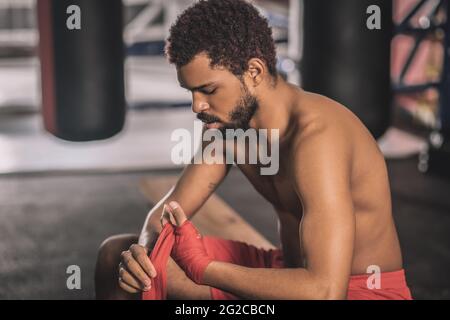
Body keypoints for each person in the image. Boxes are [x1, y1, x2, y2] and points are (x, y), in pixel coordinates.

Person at [95, 0, 412, 300]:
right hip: (288, 271)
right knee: (117, 257)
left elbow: (325, 290)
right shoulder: (226, 129)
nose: (197, 105)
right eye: (190, 91)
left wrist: (207, 270)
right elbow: (165, 214)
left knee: (176, 278)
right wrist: (146, 253)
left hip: (354, 289)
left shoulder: (317, 137)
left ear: (255, 72)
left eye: (208, 89)